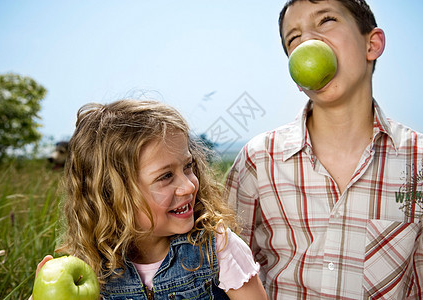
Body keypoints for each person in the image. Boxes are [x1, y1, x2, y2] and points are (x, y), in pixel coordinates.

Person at [225, 0, 423, 299]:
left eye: (326, 20)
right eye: (294, 38)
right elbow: (225, 269)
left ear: (372, 44)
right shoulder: (258, 160)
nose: (308, 42)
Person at [31, 99, 268, 299]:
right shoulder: (89, 267)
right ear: (111, 195)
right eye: (165, 176)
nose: (188, 186)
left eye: (188, 167)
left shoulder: (217, 247)